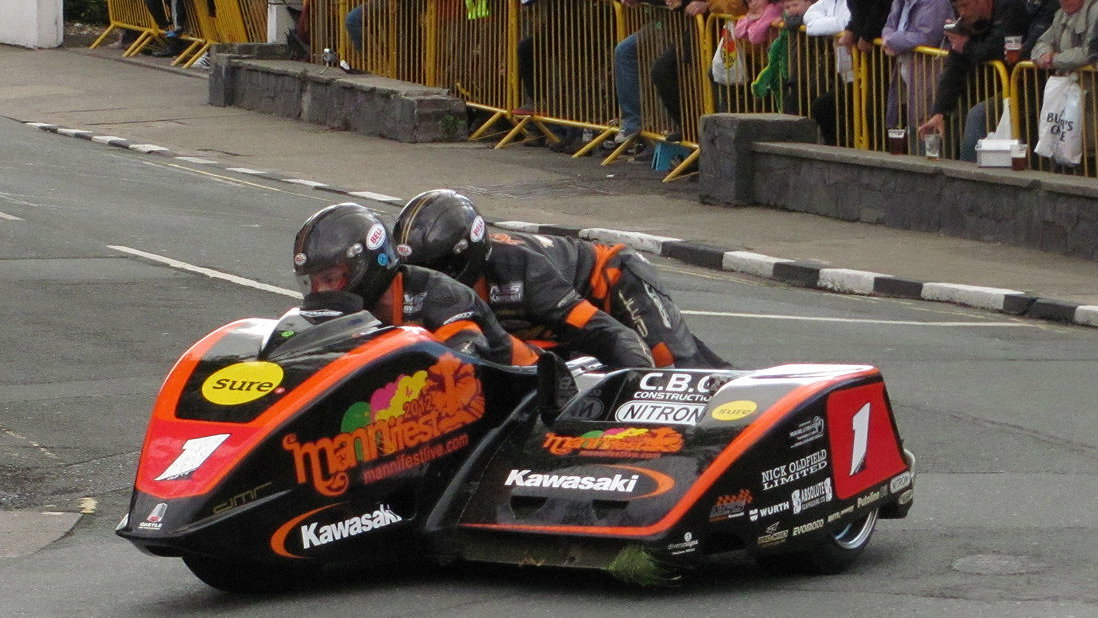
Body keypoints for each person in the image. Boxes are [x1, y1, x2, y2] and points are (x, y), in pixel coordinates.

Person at [393, 190, 730, 369]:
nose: (426, 280)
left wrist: (636, 387)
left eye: (435, 268)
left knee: (672, 362)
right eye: (414, 269)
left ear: (466, 255)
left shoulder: (521, 271)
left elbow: (610, 335)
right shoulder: (410, 289)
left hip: (612, 279)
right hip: (546, 335)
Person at [293, 203, 540, 366]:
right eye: (313, 282)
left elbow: (462, 360)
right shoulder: (352, 315)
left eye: (331, 279)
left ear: (366, 265)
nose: (321, 292)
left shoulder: (443, 296)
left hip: (524, 392)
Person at [915, 0, 1030, 159]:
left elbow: (1000, 48)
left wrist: (967, 46)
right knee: (945, 115)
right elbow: (956, 60)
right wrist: (939, 111)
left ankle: (967, 172)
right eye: (957, 7)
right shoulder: (966, 18)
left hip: (1022, 84)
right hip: (986, 85)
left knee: (977, 115)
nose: (961, 12)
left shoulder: (1010, 7)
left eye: (965, 5)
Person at [880, 0, 955, 134]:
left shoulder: (936, 3)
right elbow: (888, 26)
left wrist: (892, 41)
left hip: (929, 74)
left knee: (925, 129)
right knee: (908, 125)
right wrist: (889, 39)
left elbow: (928, 37)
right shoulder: (899, 2)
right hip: (906, 74)